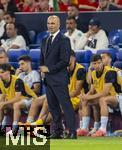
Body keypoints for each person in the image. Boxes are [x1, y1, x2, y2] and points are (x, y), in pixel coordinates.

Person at [40, 15, 76, 139]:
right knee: (53, 107)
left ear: (59, 24)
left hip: (59, 78)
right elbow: (42, 58)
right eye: (49, 23)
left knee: (66, 106)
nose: (50, 25)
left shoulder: (64, 40)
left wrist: (49, 69)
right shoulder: (44, 39)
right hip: (48, 79)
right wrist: (42, 69)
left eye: (53, 23)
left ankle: (72, 132)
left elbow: (65, 60)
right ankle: (58, 131)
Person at [79, 54, 121, 136]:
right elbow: (92, 90)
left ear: (102, 62)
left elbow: (105, 92)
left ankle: (103, 129)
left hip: (117, 97)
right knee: (85, 101)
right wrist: (85, 96)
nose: (97, 65)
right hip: (104, 97)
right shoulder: (94, 73)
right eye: (94, 63)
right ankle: (85, 128)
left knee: (102, 99)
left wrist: (89, 96)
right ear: (91, 64)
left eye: (99, 63)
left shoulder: (110, 72)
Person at [0, 63, 37, 134]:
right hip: (18, 102)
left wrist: (4, 103)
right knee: (2, 106)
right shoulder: (0, 82)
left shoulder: (17, 80)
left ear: (8, 72)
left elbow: (17, 98)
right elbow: (2, 96)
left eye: (2, 72)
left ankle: (14, 129)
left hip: (31, 100)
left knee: (16, 105)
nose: (0, 74)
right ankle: (1, 127)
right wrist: (1, 104)